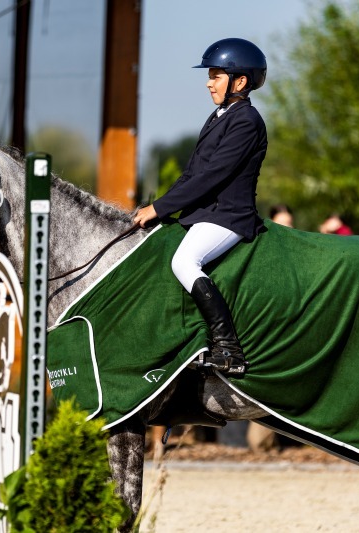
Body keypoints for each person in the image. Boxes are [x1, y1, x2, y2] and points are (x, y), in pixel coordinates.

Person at [133, 38, 268, 378]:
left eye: (216, 76)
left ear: (240, 82)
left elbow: (212, 176)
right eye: (209, 75)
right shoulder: (220, 115)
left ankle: (229, 348)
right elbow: (192, 172)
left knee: (184, 260)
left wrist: (160, 209)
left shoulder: (247, 121)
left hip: (228, 216)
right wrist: (157, 208)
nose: (208, 82)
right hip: (208, 213)